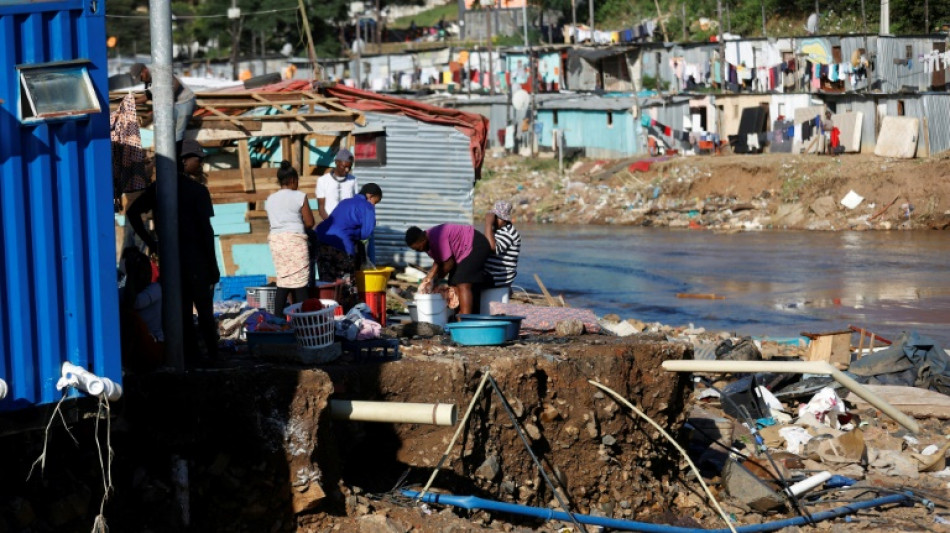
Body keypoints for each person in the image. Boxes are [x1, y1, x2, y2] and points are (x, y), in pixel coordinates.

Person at [126, 139, 221, 365]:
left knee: (182, 311)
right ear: (184, 161)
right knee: (205, 311)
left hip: (171, 259)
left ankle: (190, 357)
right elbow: (206, 231)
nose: (200, 165)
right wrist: (213, 265)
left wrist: (152, 242)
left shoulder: (159, 189)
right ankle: (214, 357)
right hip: (195, 259)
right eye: (197, 160)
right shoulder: (197, 190)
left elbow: (132, 213)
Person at [314, 183, 383, 308]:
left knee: (328, 284)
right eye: (375, 201)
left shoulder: (345, 202)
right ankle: (347, 315)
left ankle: (328, 315)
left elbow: (336, 221)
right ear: (370, 196)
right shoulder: (367, 206)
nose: (374, 205)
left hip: (321, 241)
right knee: (347, 285)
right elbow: (365, 233)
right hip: (342, 247)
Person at [405, 223, 492, 317]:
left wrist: (436, 280)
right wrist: (429, 277)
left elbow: (448, 264)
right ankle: (459, 317)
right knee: (453, 284)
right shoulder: (427, 244)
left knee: (463, 282)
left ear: (422, 239)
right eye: (416, 250)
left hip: (475, 244)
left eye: (418, 248)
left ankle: (466, 320)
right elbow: (439, 260)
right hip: (462, 253)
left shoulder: (437, 237)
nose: (419, 251)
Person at [265, 161, 316, 314]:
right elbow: (310, 222)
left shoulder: (270, 199)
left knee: (283, 281)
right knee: (300, 283)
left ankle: (277, 320)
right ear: (293, 180)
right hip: (295, 241)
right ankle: (304, 323)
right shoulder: (299, 196)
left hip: (276, 242)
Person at [129, 62, 196, 148]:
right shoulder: (149, 78)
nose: (141, 80)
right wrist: (131, 102)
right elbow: (149, 95)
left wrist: (166, 99)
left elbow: (175, 83)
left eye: (141, 77)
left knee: (178, 133)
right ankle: (169, 153)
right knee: (166, 129)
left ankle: (177, 157)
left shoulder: (158, 73)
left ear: (144, 70)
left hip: (185, 101)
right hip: (174, 104)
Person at [119, 247, 164, 370]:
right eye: (141, 272)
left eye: (146, 271)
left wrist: (132, 274)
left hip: (152, 346)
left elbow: (134, 303)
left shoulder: (155, 289)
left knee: (130, 317)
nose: (145, 275)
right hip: (137, 348)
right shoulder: (124, 292)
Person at [483, 201, 522, 291]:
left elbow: (493, 248)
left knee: (469, 281)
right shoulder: (497, 230)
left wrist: (488, 224)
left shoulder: (509, 232)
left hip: (499, 277)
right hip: (490, 273)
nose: (493, 220)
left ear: (504, 219)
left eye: (496, 218)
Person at [316, 148, 358, 220]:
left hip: (348, 223)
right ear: (336, 162)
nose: (347, 170)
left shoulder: (353, 180)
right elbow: (321, 208)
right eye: (344, 166)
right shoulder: (322, 180)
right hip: (329, 223)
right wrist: (329, 223)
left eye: (349, 167)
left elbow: (356, 203)